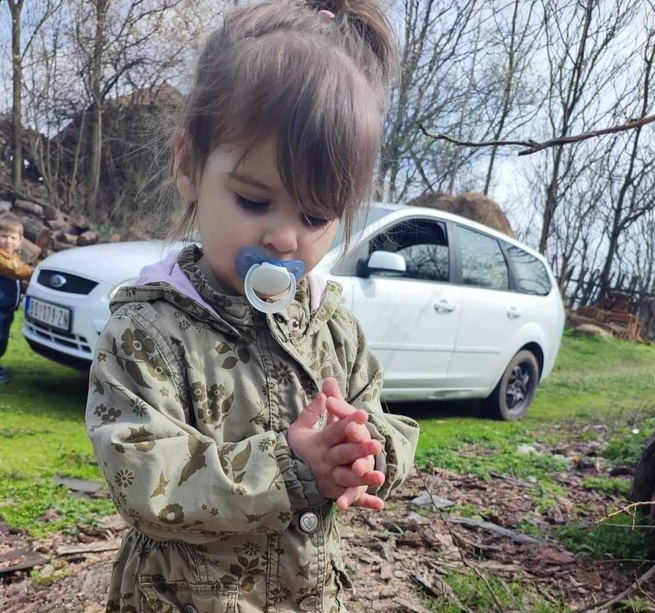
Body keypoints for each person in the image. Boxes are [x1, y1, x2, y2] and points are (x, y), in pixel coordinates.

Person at [85, 1, 419, 611]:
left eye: (316, 215)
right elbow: (144, 481)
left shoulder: (332, 328)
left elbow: (387, 419)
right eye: (254, 201)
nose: (286, 238)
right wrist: (291, 467)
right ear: (190, 166)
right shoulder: (148, 331)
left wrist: (363, 452)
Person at [0, 213, 34, 383]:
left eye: (12, 237)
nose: (8, 241)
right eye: (3, 236)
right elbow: (15, 271)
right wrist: (31, 271)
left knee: (3, 338)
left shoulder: (14, 257)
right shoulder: (2, 258)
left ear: (20, 241)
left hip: (7, 309)